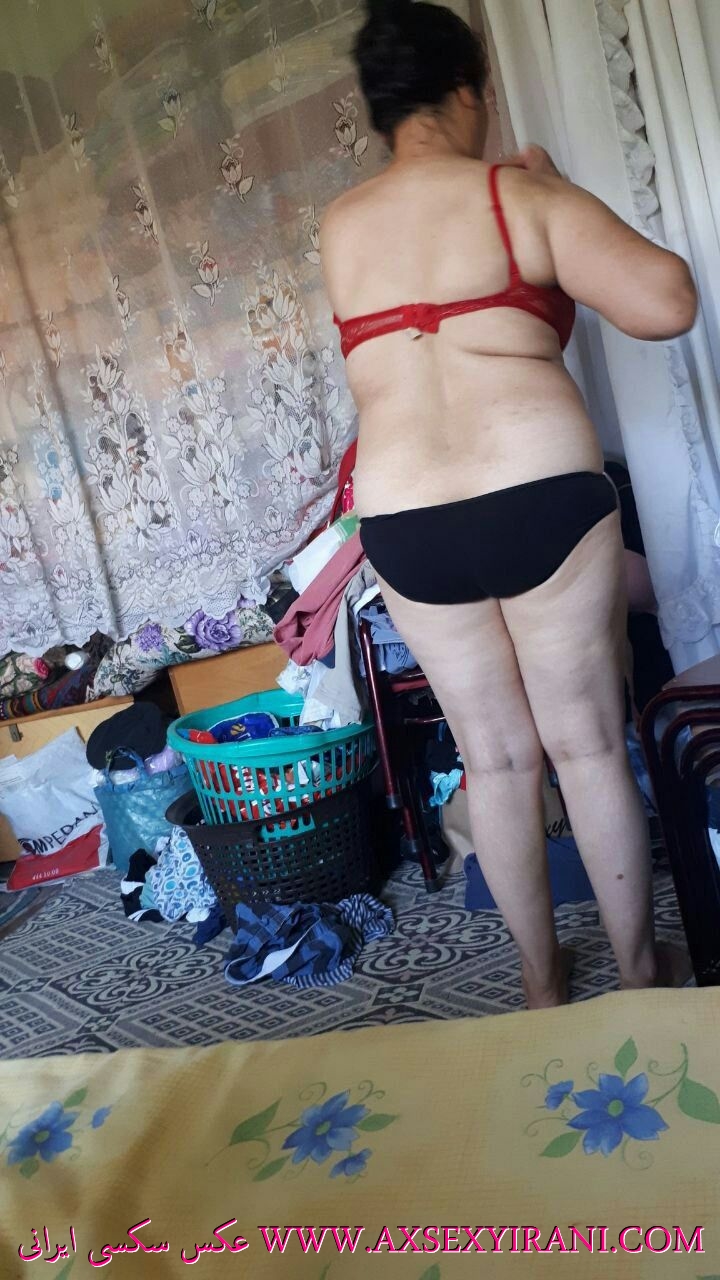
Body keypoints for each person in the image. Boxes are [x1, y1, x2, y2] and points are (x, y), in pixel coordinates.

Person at [321, 0, 697, 1007]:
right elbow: (668, 301)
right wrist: (556, 192)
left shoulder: (342, 224)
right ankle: (640, 971)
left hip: (405, 518)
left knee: (492, 760)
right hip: (537, 494)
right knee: (585, 743)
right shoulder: (513, 195)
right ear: (467, 92)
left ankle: (539, 985)